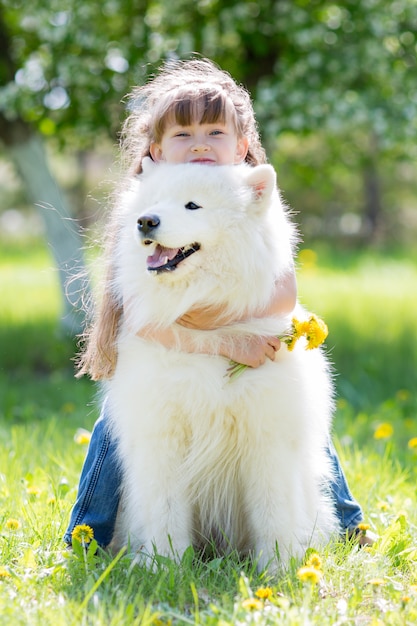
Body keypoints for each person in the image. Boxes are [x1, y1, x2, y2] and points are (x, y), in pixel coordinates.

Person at [64, 58, 372, 550]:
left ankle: (348, 522)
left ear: (242, 146)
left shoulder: (248, 195)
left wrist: (233, 331)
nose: (201, 144)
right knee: (118, 426)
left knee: (294, 426)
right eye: (184, 135)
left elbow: (284, 291)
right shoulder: (146, 196)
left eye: (214, 131)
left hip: (251, 350)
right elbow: (143, 320)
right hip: (173, 353)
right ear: (157, 151)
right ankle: (87, 532)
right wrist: (223, 339)